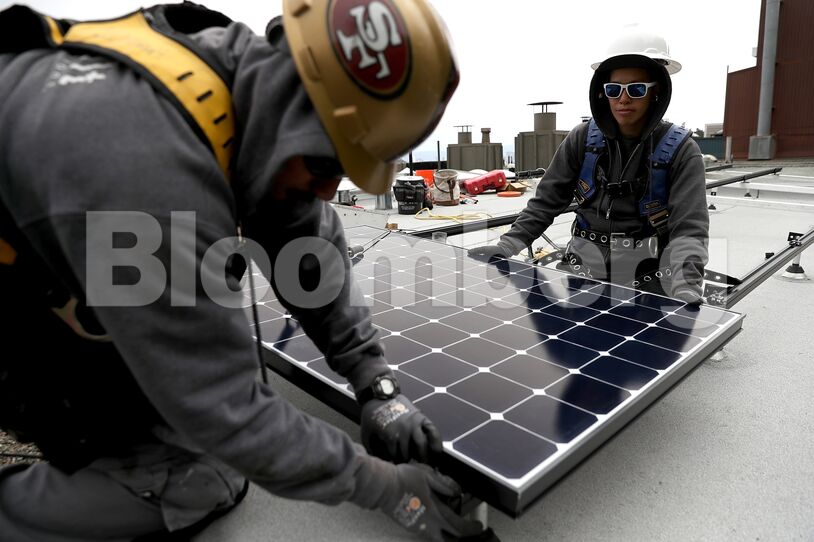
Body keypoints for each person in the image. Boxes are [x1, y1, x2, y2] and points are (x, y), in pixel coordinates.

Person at [0, 1, 492, 541]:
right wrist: (389, 488)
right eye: (329, 164)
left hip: (61, 250)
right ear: (294, 112)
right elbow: (228, 410)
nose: (331, 192)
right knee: (189, 480)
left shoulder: (241, 81)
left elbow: (306, 243)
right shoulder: (142, 168)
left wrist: (376, 385)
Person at [470, 26, 708, 303]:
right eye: (613, 89)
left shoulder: (680, 150)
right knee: (568, 340)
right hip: (581, 267)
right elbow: (546, 202)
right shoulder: (582, 139)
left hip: (648, 276)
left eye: (637, 88)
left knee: (643, 343)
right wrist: (507, 245)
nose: (623, 98)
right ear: (601, 92)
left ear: (657, 92)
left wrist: (686, 286)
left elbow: (689, 227)